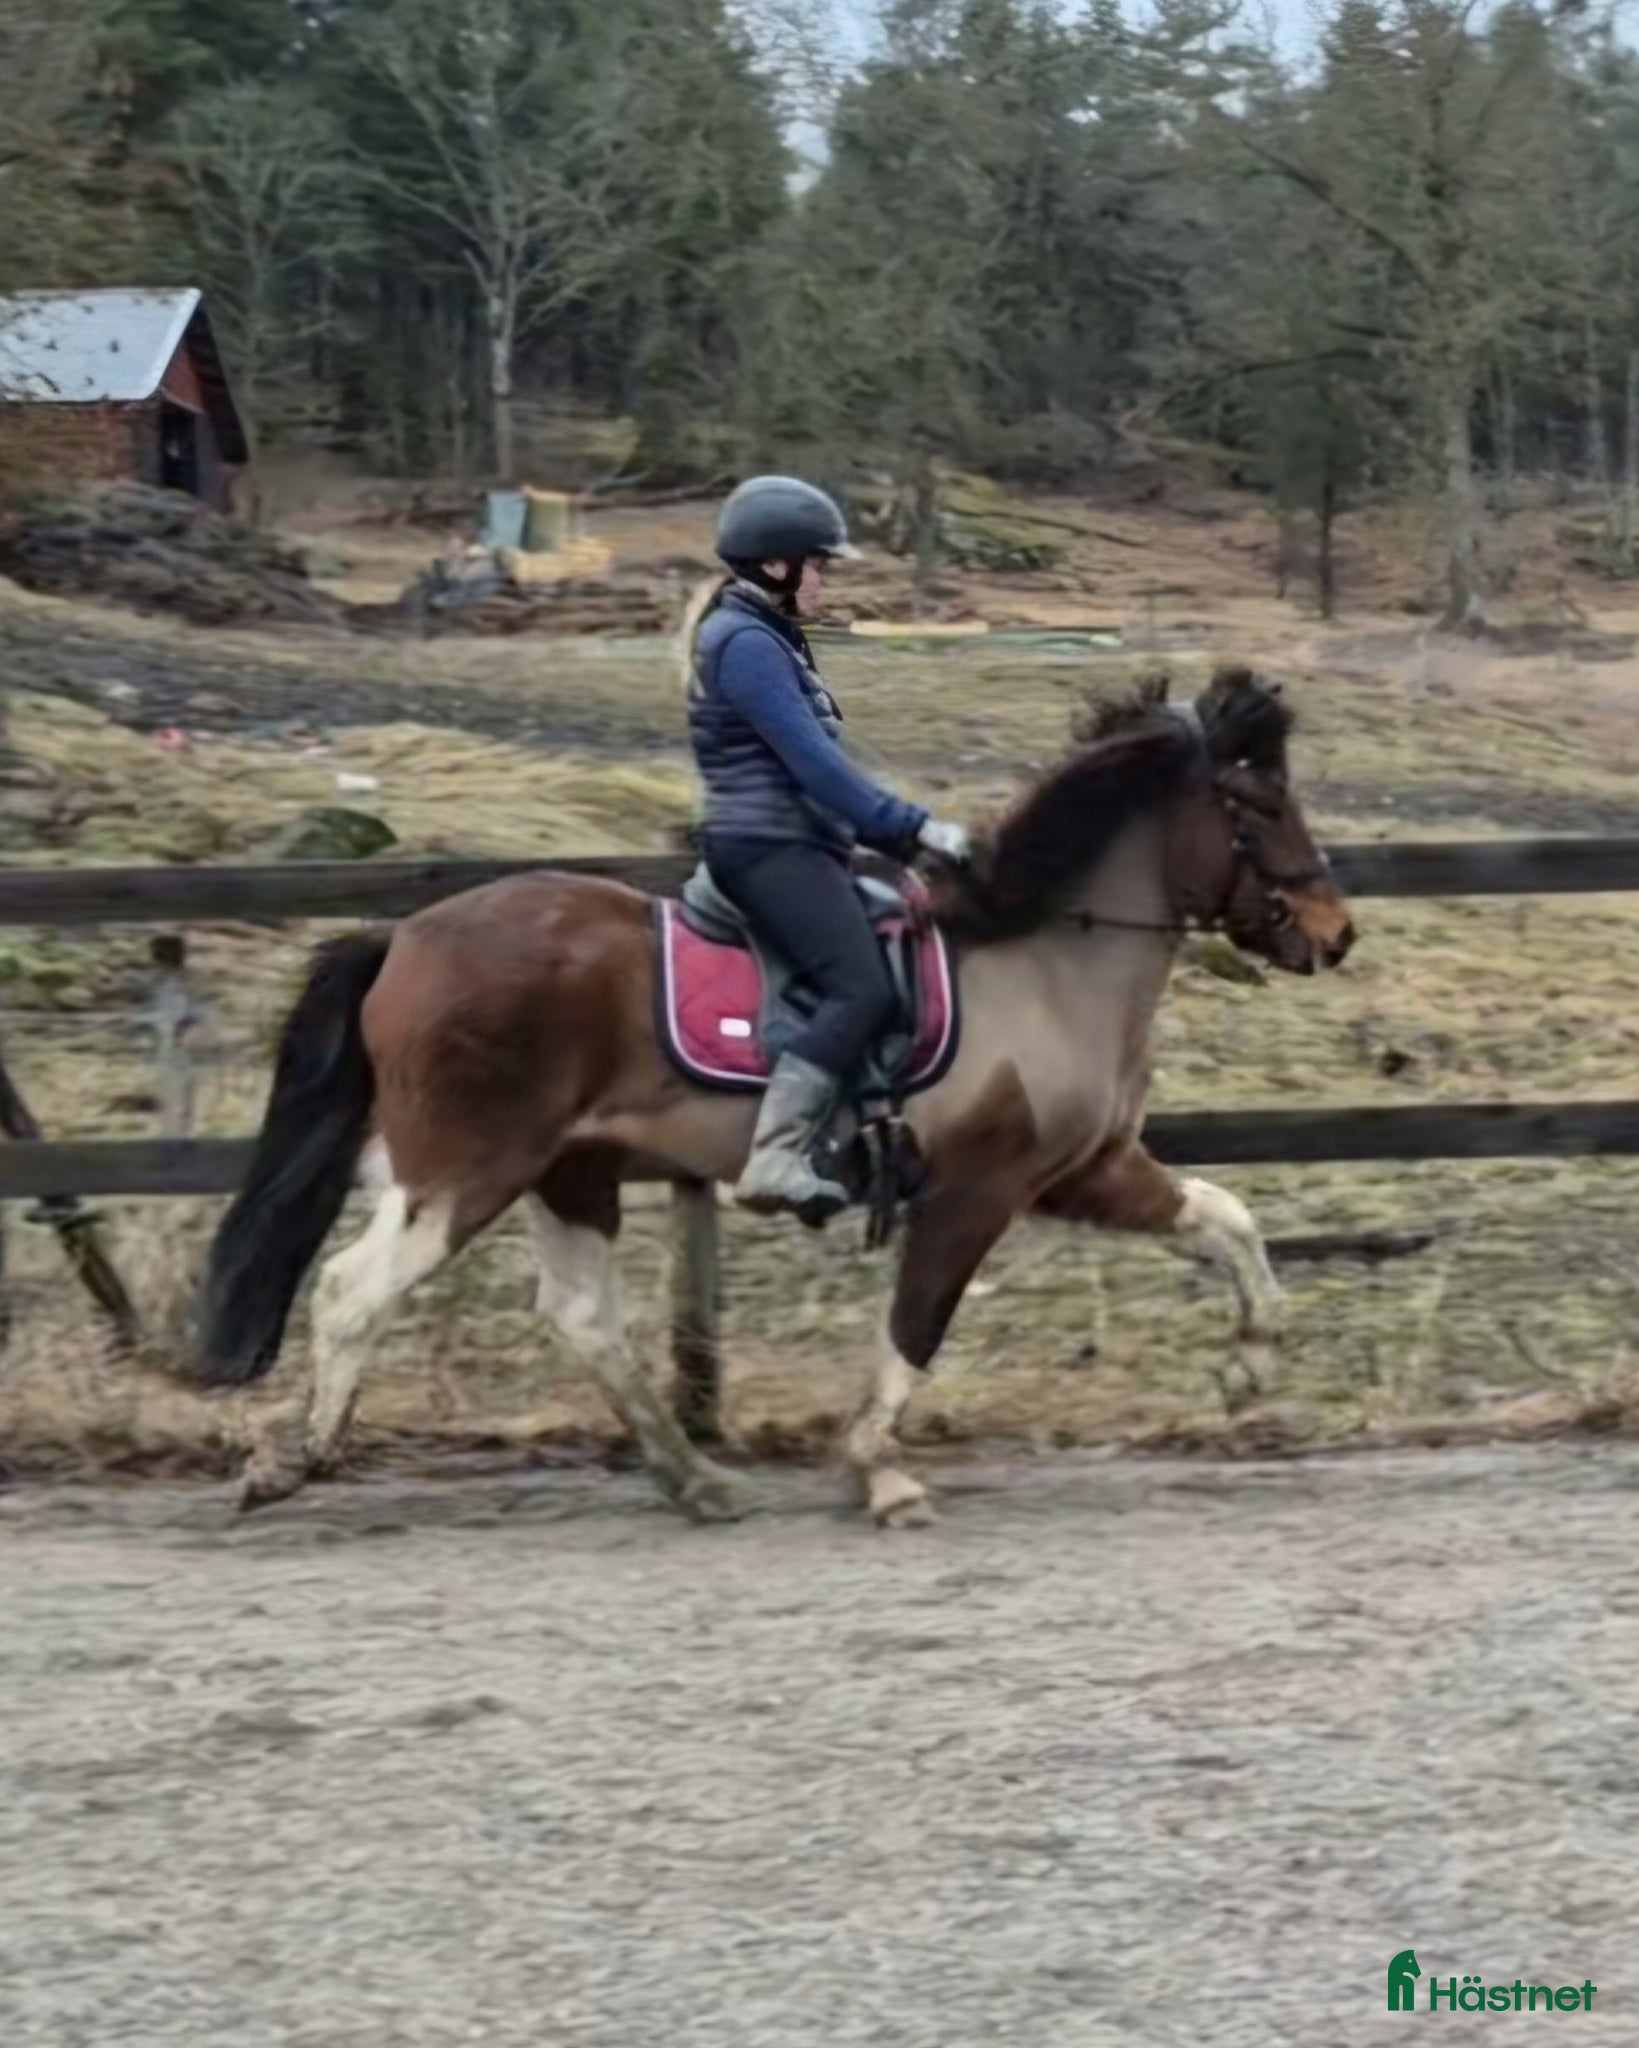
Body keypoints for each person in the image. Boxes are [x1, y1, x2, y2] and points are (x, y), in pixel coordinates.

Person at [687, 475, 971, 1221]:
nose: (826, 578)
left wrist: (892, 834)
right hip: (767, 847)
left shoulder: (765, 636)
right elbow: (814, 766)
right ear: (777, 565)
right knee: (861, 987)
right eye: (819, 563)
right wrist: (914, 828)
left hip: (796, 844)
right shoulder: (745, 642)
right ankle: (774, 1156)